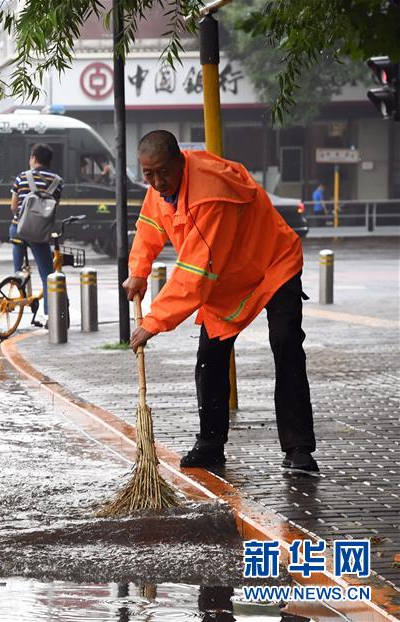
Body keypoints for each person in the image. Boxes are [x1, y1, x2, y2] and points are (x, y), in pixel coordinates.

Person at [122, 130, 317, 474]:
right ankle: (211, 444)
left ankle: (299, 448)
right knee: (210, 357)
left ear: (180, 161)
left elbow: (194, 273)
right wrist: (139, 270)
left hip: (272, 264)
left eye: (162, 172)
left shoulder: (208, 196)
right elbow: (150, 226)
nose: (156, 181)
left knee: (286, 344)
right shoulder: (161, 187)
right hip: (226, 276)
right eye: (148, 174)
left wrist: (152, 322)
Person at [10, 143, 63, 325]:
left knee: (16, 235)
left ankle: (18, 274)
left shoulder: (22, 177)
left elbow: (13, 206)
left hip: (20, 229)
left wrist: (20, 217)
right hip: (40, 235)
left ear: (33, 158)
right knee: (48, 275)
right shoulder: (57, 182)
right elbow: (53, 209)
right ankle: (48, 316)